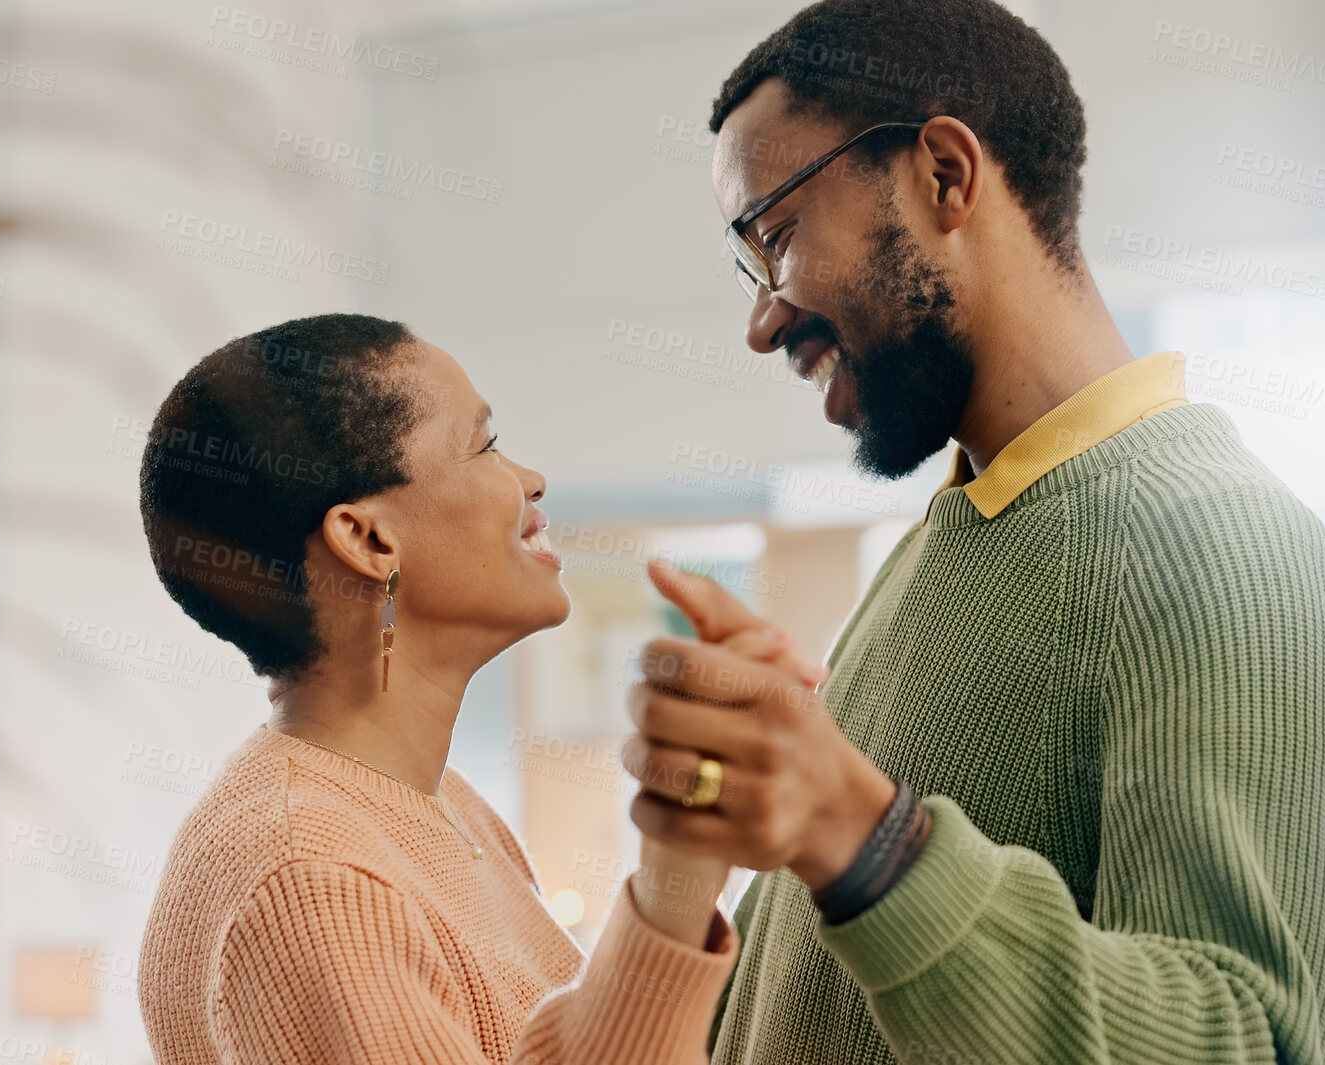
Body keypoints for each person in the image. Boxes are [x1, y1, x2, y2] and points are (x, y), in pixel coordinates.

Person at [619, 2, 1325, 1064]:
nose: (762, 321)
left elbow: (1237, 1037)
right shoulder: (940, 538)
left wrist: (862, 835)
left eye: (775, 237)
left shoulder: (1221, 543)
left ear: (942, 175)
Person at [133, 314, 819, 1064]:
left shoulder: (432, 802)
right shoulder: (312, 876)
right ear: (367, 540)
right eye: (485, 444)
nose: (530, 479)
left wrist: (687, 852)